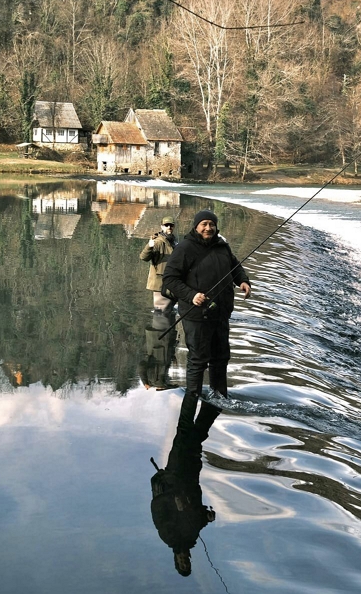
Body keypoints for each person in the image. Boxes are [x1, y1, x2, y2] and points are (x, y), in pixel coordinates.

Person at [161, 209, 251, 397]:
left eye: (212, 224)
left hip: (220, 313)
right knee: (198, 360)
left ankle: (219, 397)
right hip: (196, 315)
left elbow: (234, 266)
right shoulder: (185, 248)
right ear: (196, 226)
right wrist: (192, 295)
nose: (208, 228)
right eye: (204, 224)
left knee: (221, 358)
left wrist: (243, 281)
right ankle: (191, 398)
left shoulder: (222, 246)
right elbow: (169, 278)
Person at [149, 392, 220, 577]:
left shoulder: (168, 536)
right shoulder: (192, 537)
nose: (184, 560)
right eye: (186, 563)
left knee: (184, 432)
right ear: (189, 559)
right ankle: (214, 402)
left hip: (174, 474)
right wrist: (207, 517)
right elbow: (198, 518)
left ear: (176, 560)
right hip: (192, 475)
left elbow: (156, 506)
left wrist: (174, 500)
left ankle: (194, 395)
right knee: (197, 437)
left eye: (181, 563)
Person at [140, 215, 177, 312]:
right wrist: (149, 246)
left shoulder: (173, 241)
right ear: (162, 226)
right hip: (159, 284)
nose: (169, 227)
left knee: (169, 310)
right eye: (166, 225)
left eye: (171, 225)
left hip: (171, 281)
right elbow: (143, 257)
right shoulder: (157, 242)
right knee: (160, 312)